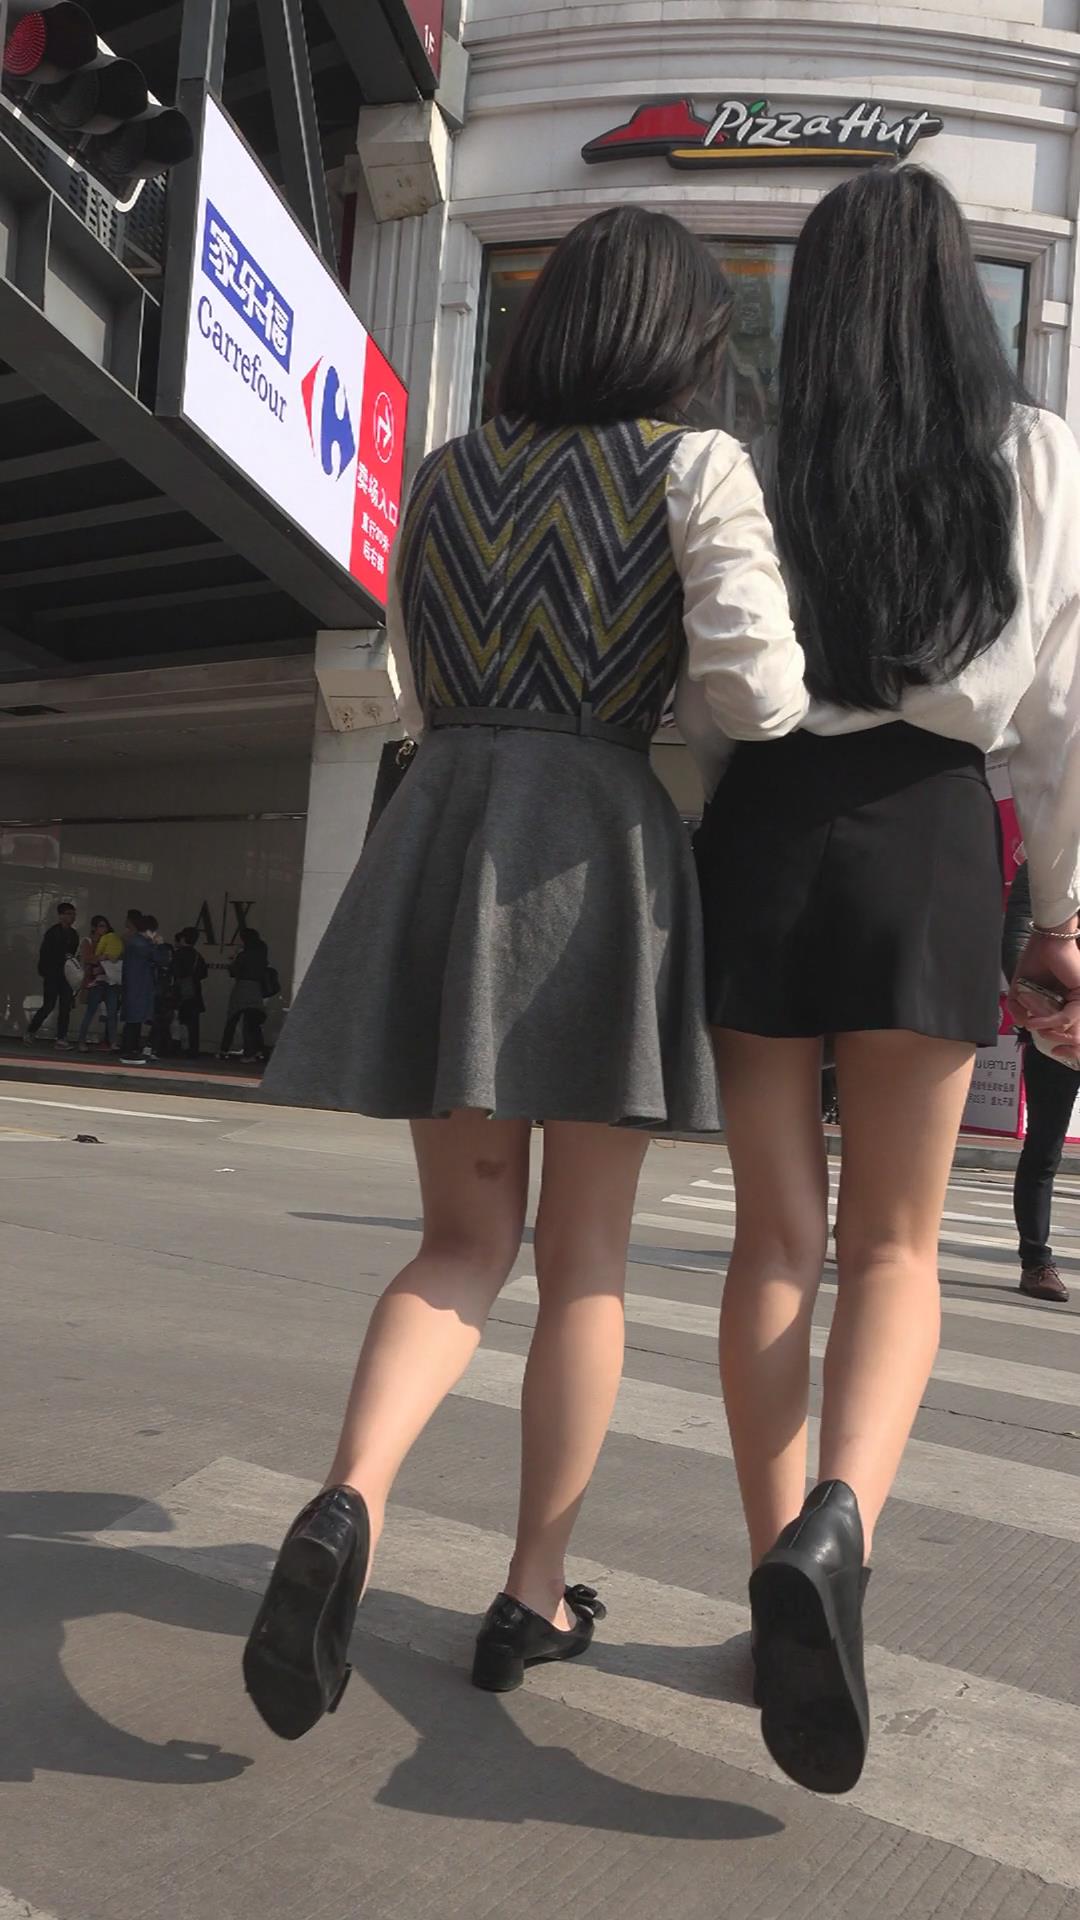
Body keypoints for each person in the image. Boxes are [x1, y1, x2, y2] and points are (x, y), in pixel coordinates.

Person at [243, 203, 807, 1742]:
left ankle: (350, 1500)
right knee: (586, 1261)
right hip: (597, 846)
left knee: (460, 1239)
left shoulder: (442, 473)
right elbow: (758, 696)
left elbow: (412, 673)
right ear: (681, 334)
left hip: (447, 826)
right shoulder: (693, 464)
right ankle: (533, 1594)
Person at [687, 167, 1080, 1797]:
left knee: (776, 1238)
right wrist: (1060, 914)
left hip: (765, 829)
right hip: (933, 834)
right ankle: (842, 1531)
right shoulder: (1039, 454)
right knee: (900, 1244)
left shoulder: (755, 456)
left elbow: (707, 686)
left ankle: (776, 1567)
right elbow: (1062, 721)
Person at [1003, 860, 1074, 1302]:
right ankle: (1036, 1261)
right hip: (1056, 1027)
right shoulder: (1052, 855)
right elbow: (1017, 935)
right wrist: (1036, 1006)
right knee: (1044, 1149)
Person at [26, 902, 79, 1048]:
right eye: (69, 914)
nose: (72, 917)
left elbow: (73, 954)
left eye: (73, 914)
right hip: (53, 974)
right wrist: (47, 971)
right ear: (61, 916)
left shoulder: (74, 934)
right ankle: (31, 1031)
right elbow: (45, 953)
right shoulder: (53, 932)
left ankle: (61, 1037)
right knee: (49, 1005)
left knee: (65, 1007)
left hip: (67, 975)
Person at [218, 927, 270, 1063]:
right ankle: (256, 1050)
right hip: (256, 988)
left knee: (233, 1018)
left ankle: (225, 1049)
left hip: (242, 987)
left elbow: (234, 971)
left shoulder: (243, 954)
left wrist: (235, 957)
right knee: (252, 1022)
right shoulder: (262, 953)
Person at [76, 916, 124, 1052]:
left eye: (105, 926)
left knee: (112, 1012)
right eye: (101, 926)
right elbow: (87, 958)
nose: (104, 929)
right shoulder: (88, 941)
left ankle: (112, 1042)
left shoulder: (111, 940)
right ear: (94, 928)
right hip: (95, 981)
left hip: (110, 980)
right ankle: (81, 1041)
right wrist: (101, 958)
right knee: (90, 1012)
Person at [120, 911, 157, 1065]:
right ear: (149, 930)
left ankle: (130, 1050)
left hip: (134, 987)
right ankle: (130, 1052)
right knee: (134, 1021)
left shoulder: (135, 942)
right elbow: (159, 958)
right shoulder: (141, 945)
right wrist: (157, 944)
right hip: (138, 987)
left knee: (133, 1021)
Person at [172, 928, 209, 1060]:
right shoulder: (197, 955)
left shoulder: (178, 954)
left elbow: (174, 971)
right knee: (193, 1024)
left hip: (180, 991)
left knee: (177, 1020)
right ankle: (192, 1049)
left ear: (183, 939)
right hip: (194, 990)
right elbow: (204, 973)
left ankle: (177, 1047)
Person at [142, 916, 176, 1059]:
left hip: (161, 995)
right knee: (162, 1023)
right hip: (163, 995)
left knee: (160, 1023)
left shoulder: (159, 965)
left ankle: (154, 1047)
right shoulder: (163, 966)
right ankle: (157, 1048)